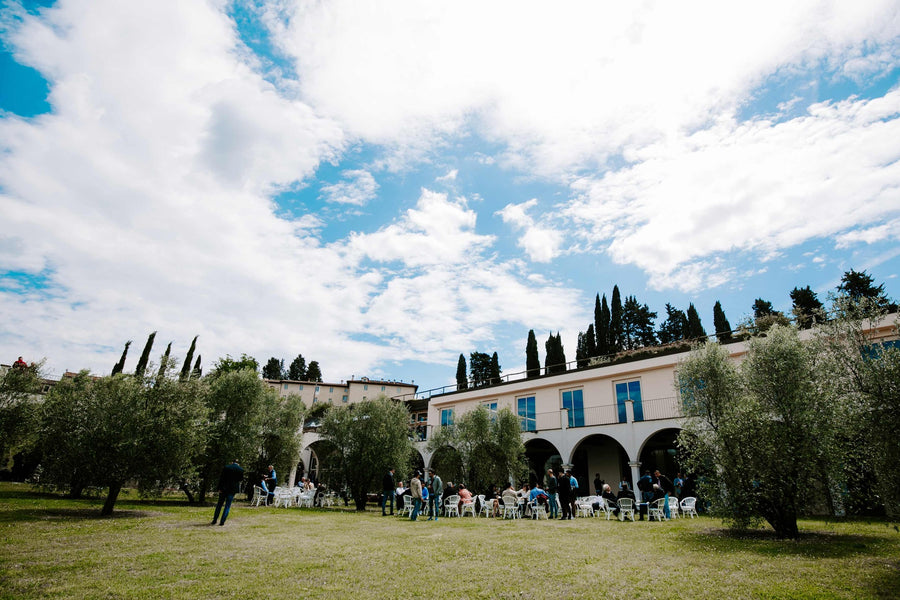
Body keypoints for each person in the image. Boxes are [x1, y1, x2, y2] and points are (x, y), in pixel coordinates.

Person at [211, 460, 244, 526]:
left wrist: (219, 488)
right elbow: (240, 479)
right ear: (238, 463)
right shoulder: (241, 469)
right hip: (232, 490)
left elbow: (222, 478)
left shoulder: (226, 467)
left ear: (232, 462)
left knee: (219, 504)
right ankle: (222, 521)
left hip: (224, 488)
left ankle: (214, 520)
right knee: (227, 506)